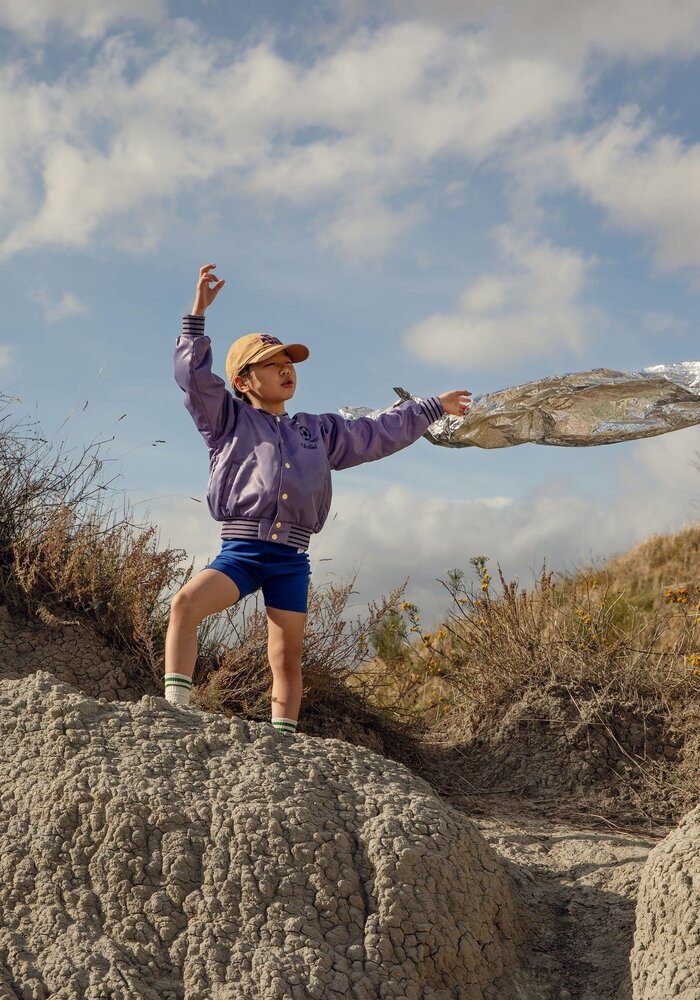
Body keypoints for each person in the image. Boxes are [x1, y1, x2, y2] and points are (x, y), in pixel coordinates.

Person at [165, 263, 472, 734]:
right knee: (186, 604)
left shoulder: (318, 429)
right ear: (244, 381)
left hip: (292, 558)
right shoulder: (225, 420)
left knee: (286, 655)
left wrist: (432, 407)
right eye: (272, 362)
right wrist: (197, 316)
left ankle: (283, 740)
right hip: (243, 551)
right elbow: (192, 376)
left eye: (288, 361)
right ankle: (176, 711)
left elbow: (376, 432)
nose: (286, 368)